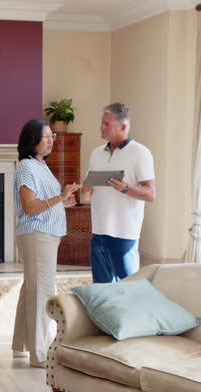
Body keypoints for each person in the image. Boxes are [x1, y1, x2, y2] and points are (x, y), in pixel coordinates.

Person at [13, 119, 80, 368]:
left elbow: (45, 202)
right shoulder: (26, 167)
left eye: (53, 136)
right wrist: (60, 196)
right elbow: (30, 207)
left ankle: (22, 345)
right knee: (42, 293)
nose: (51, 140)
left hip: (45, 235)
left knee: (31, 290)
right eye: (46, 136)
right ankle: (40, 354)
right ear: (32, 141)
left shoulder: (41, 165)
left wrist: (64, 201)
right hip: (37, 235)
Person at [81, 103, 156, 283]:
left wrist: (125, 188)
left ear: (123, 127)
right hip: (98, 233)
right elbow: (87, 196)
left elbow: (151, 194)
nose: (101, 127)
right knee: (101, 290)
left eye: (107, 124)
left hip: (124, 235)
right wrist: (85, 189)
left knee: (127, 290)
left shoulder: (140, 153)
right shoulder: (96, 154)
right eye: (102, 122)